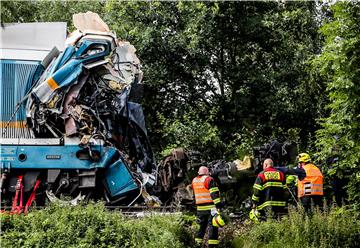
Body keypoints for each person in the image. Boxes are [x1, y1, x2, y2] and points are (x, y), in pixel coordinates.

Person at [192, 166, 222, 247]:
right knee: (213, 227)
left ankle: (197, 244)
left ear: (199, 172)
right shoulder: (209, 179)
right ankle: (212, 245)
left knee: (201, 227)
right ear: (208, 173)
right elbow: (214, 194)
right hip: (211, 208)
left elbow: (194, 195)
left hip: (200, 210)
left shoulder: (194, 180)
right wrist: (218, 205)